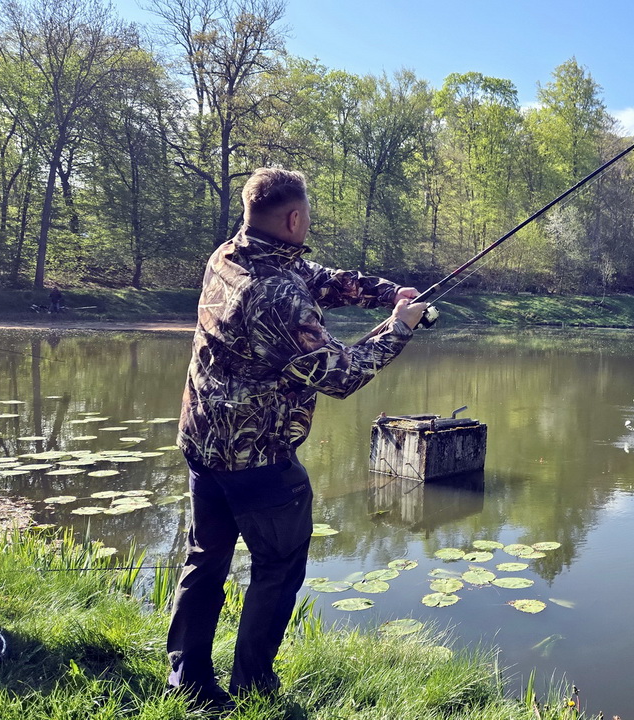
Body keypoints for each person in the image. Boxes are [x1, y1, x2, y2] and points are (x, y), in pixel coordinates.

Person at [165, 167, 427, 710]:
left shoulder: (228, 256)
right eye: (306, 215)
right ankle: (252, 687)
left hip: (202, 442)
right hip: (257, 459)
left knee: (205, 560)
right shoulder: (278, 295)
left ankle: (188, 683)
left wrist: (386, 294)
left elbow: (314, 275)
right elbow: (340, 375)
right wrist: (400, 328)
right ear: (293, 218)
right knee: (278, 568)